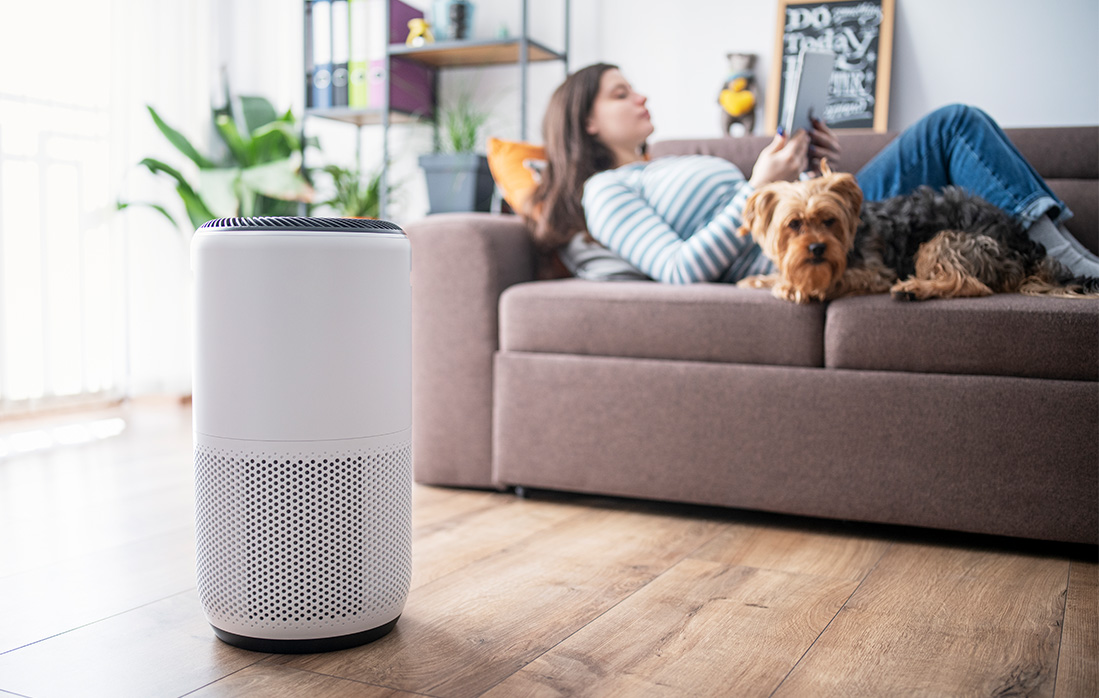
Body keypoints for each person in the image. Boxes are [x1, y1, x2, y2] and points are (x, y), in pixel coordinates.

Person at [524, 62, 1099, 283]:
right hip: (784, 251)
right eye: (621, 93)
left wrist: (810, 167)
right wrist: (756, 186)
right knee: (952, 123)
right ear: (587, 122)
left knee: (954, 123)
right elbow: (677, 269)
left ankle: (1061, 257)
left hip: (827, 217)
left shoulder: (664, 161)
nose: (640, 95)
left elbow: (789, 207)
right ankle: (1073, 269)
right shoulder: (607, 191)